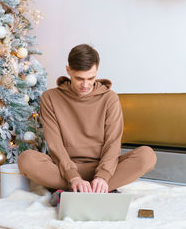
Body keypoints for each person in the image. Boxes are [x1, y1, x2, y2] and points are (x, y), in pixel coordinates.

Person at [18, 44, 157, 193]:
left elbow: (113, 143)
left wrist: (103, 176)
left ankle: (87, 189)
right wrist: (73, 177)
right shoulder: (50, 98)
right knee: (26, 160)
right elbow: (55, 144)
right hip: (64, 170)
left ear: (96, 71)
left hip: (103, 168)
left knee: (147, 156)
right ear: (68, 70)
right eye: (79, 78)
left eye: (91, 78)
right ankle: (85, 189)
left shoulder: (110, 98)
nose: (85, 85)